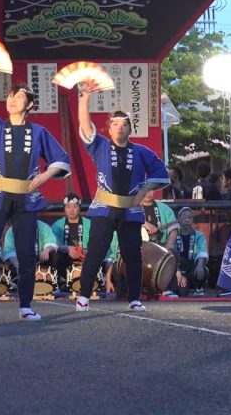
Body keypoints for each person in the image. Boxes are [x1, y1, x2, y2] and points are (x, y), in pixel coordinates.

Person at [0, 57, 70, 323]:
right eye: (10, 95)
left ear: (30, 104)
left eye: (19, 96)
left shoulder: (40, 132)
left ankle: (25, 306)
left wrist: (45, 175)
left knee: (26, 252)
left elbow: (61, 160)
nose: (12, 99)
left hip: (27, 198)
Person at [74, 81, 170, 313]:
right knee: (96, 253)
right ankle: (84, 296)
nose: (119, 127)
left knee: (132, 255)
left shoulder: (142, 152)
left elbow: (161, 174)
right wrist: (84, 100)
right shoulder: (99, 146)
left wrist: (144, 190)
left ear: (130, 128)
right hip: (103, 208)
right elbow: (86, 128)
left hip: (131, 211)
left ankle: (135, 298)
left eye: (124, 124)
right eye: (115, 124)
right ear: (108, 128)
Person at [50, 194, 117, 294]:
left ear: (80, 208)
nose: (71, 210)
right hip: (66, 260)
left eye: (75, 207)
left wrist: (87, 250)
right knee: (53, 253)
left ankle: (98, 281)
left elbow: (98, 244)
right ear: (64, 209)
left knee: (98, 253)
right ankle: (56, 284)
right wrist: (67, 248)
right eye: (68, 207)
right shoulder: (57, 225)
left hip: (84, 259)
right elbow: (52, 245)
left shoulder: (89, 224)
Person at [166, 207, 209, 297]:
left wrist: (200, 266)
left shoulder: (199, 235)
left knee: (203, 270)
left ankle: (199, 289)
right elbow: (170, 255)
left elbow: (202, 251)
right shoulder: (173, 235)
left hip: (191, 268)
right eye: (184, 216)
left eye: (190, 217)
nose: (187, 218)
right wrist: (178, 272)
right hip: (176, 269)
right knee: (182, 293)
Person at [2, 219, 57, 286]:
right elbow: (9, 252)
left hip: (40, 262)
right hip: (20, 263)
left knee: (54, 256)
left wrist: (47, 250)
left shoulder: (43, 226)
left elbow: (51, 243)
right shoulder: (12, 231)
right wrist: (18, 266)